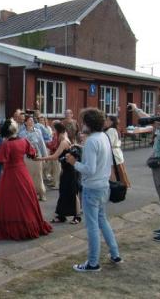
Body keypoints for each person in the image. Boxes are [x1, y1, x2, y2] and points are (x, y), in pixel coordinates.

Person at [65, 108, 122, 272]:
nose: (81, 124)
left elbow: (89, 169)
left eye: (83, 121)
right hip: (104, 186)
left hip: (92, 188)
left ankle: (93, 263)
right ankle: (115, 253)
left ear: (88, 123)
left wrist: (73, 162)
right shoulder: (103, 136)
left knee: (92, 227)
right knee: (103, 221)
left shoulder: (91, 141)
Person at [0, 118, 52, 240]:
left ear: (5, 132)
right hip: (22, 172)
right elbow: (32, 154)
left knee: (9, 201)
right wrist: (40, 158)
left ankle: (11, 227)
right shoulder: (24, 141)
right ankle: (30, 224)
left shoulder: (6, 145)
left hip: (10, 175)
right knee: (26, 199)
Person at [130, 102, 160, 242]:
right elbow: (148, 118)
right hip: (159, 162)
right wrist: (135, 109)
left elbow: (151, 120)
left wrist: (143, 113)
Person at [38, 122, 81, 224]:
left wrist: (40, 158)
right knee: (63, 192)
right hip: (66, 170)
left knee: (73, 193)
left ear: (57, 131)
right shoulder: (62, 139)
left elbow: (55, 156)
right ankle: (61, 215)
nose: (52, 132)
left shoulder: (64, 142)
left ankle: (77, 216)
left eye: (53, 130)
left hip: (70, 171)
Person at [19, 115, 48, 201]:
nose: (31, 122)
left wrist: (45, 157)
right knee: (28, 176)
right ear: (25, 122)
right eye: (30, 120)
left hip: (37, 156)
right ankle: (30, 194)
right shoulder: (22, 133)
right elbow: (20, 147)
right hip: (26, 157)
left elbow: (42, 144)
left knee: (38, 175)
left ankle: (42, 193)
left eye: (32, 120)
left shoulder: (38, 131)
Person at [105, 116, 131, 188]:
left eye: (107, 120)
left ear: (112, 122)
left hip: (114, 153)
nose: (105, 122)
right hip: (116, 152)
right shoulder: (113, 129)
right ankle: (122, 185)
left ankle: (120, 186)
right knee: (119, 170)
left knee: (117, 171)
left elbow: (109, 142)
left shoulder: (111, 130)